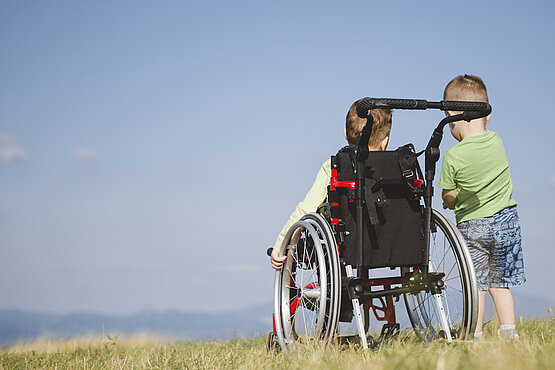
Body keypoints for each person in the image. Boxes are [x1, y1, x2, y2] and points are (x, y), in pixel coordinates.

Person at [439, 75, 525, 340]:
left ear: (452, 115)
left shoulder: (454, 156)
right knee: (501, 283)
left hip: (473, 225)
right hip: (507, 221)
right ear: (487, 115)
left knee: (477, 285)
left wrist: (448, 200)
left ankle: (474, 337)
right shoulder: (496, 141)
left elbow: (450, 196)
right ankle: (509, 333)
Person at [270, 99, 392, 269]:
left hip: (345, 245)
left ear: (344, 133)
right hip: (390, 244)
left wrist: (281, 244)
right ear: (384, 141)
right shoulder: (395, 168)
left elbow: (307, 208)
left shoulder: (335, 166)